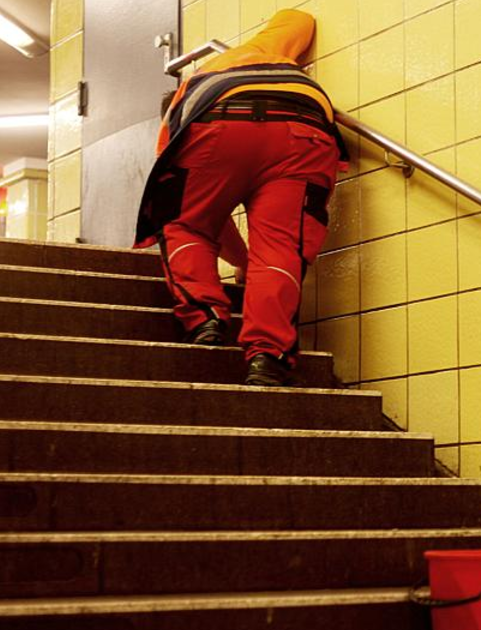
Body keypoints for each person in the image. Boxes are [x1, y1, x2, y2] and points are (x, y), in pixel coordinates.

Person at [135, 8, 347, 386]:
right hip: (306, 126)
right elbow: (300, 19)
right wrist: (251, 262)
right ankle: (268, 356)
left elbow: (199, 221)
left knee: (182, 224)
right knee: (281, 247)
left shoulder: (180, 112)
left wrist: (240, 260)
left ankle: (204, 318)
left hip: (216, 123)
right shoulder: (254, 52)